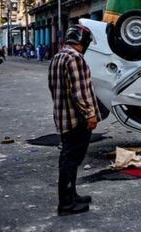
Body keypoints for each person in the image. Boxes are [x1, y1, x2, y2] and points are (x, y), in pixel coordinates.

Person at [48, 24, 101, 216]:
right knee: (70, 160)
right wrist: (91, 115)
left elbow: (53, 88)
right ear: (82, 41)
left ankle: (72, 195)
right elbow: (79, 93)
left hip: (63, 117)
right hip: (76, 120)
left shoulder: (58, 57)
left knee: (69, 158)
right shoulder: (75, 58)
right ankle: (66, 205)